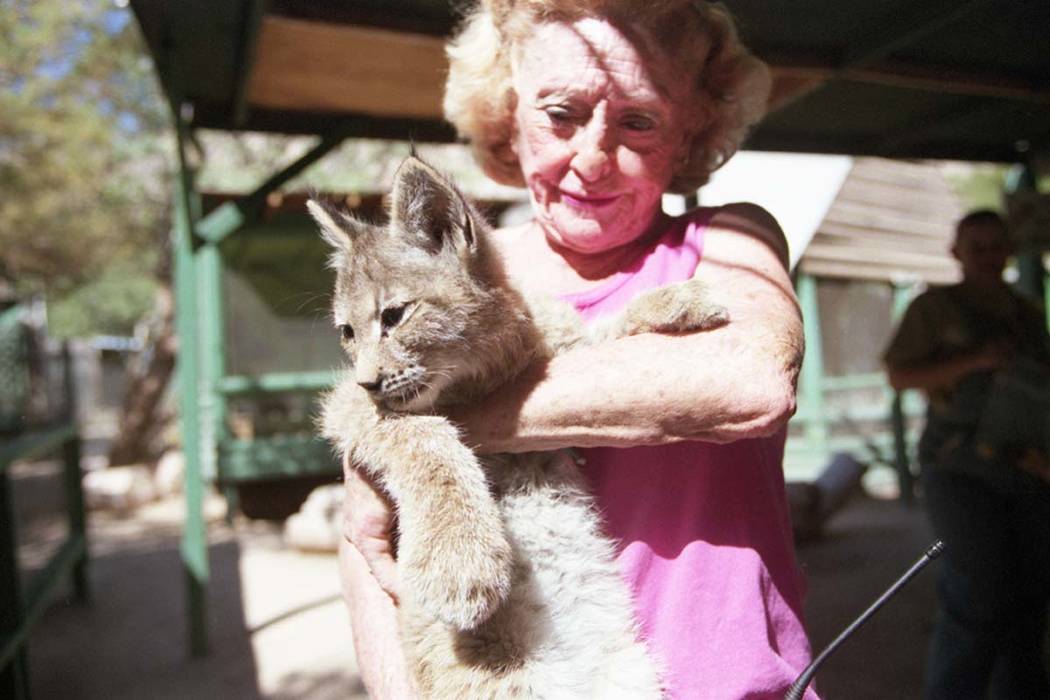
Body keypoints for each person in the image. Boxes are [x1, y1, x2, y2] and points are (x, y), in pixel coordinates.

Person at [339, 1, 817, 697]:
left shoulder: (726, 243)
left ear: (691, 135)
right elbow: (367, 540)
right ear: (507, 116)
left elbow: (752, 378)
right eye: (561, 113)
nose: (592, 158)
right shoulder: (433, 277)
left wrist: (415, 432)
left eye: (639, 120)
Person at [883, 210, 1050, 700]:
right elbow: (899, 376)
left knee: (1030, 596)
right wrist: (974, 361)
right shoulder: (933, 308)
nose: (986, 255)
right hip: (959, 467)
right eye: (975, 245)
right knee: (975, 593)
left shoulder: (1025, 312)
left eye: (995, 245)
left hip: (1026, 467)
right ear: (956, 252)